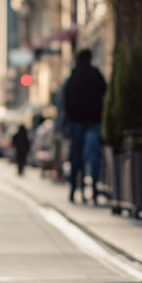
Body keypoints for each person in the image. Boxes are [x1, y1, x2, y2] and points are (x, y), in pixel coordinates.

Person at [63, 49, 107, 204]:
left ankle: (73, 189)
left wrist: (68, 121)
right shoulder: (96, 75)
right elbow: (104, 95)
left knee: (76, 156)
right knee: (93, 156)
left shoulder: (73, 77)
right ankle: (94, 189)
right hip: (94, 121)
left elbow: (66, 100)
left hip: (76, 122)